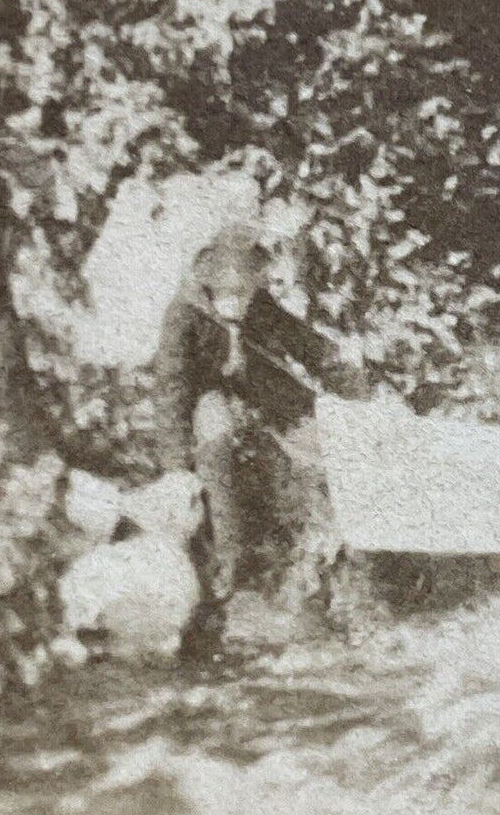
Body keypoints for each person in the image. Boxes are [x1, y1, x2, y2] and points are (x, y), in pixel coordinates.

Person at [153, 215, 367, 602]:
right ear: (209, 287)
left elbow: (307, 345)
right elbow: (172, 389)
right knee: (215, 440)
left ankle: (337, 544)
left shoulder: (257, 304)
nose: (238, 303)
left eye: (245, 293)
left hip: (255, 387)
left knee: (314, 440)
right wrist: (174, 466)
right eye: (228, 294)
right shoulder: (183, 316)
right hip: (208, 395)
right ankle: (229, 560)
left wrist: (356, 391)